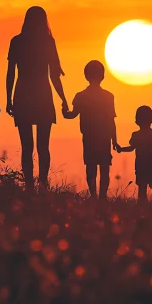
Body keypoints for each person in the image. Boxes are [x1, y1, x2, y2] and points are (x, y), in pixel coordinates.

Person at [6, 6, 68, 190]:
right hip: (42, 94)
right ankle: (42, 182)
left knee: (27, 146)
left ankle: (31, 185)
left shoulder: (17, 41)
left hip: (23, 92)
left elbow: (11, 73)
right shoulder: (48, 42)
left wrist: (8, 98)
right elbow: (54, 75)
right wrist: (63, 99)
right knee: (43, 145)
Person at [63, 60, 117, 200]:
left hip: (88, 137)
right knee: (104, 168)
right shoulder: (108, 97)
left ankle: (93, 195)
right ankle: (102, 197)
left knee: (91, 167)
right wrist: (115, 141)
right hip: (105, 137)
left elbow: (72, 115)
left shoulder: (81, 96)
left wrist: (64, 111)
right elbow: (112, 121)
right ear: (103, 76)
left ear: (86, 75)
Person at [117, 105, 152, 202]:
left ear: (136, 121)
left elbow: (131, 148)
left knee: (142, 187)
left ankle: (143, 205)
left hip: (141, 164)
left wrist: (121, 149)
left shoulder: (136, 135)